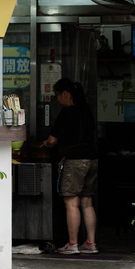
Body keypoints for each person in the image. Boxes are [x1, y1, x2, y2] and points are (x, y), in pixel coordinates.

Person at [39, 78, 98, 255]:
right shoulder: (87, 111)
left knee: (71, 202)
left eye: (57, 95)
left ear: (65, 94)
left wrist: (47, 144)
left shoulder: (67, 113)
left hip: (74, 161)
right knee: (87, 202)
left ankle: (72, 244)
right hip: (92, 159)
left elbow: (52, 140)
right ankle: (90, 243)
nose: (57, 100)